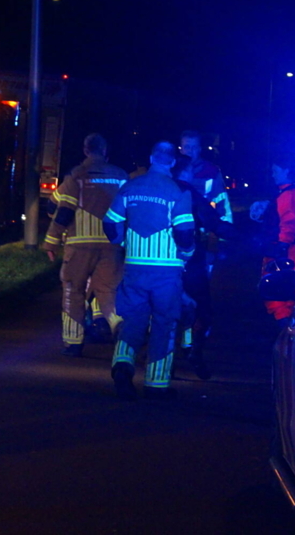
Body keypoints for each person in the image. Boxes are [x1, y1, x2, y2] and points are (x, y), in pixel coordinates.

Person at [103, 141, 195, 400]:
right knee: (164, 323)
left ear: (151, 157)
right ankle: (156, 384)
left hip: (134, 267)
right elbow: (185, 232)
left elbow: (110, 223)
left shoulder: (130, 187)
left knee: (133, 319)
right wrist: (186, 254)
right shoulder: (177, 192)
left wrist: (122, 243)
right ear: (173, 162)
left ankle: (122, 365)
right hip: (166, 272)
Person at [42, 133, 129, 357]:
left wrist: (51, 241)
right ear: (105, 151)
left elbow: (60, 210)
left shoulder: (76, 176)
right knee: (109, 291)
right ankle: (118, 325)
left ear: (85, 150)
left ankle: (73, 343)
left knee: (73, 290)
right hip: (112, 245)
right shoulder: (121, 177)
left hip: (79, 246)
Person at [171, 153, 234, 380]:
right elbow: (213, 222)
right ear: (184, 172)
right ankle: (195, 353)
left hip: (158, 263)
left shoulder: (158, 190)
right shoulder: (190, 193)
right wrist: (244, 238)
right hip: (190, 261)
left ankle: (161, 361)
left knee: (162, 313)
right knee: (202, 309)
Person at [260, 154, 295, 321]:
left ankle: (286, 335)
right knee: (281, 294)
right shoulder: (287, 192)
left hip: (287, 253)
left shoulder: (290, 193)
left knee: (281, 295)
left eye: (276, 171)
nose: (273, 174)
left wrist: (282, 246)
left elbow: (290, 221)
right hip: (284, 250)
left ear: (286, 171)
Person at [178, 130, 233, 224]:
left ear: (199, 149)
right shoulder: (171, 170)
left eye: (194, 147)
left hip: (202, 229)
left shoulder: (211, 172)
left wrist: (225, 231)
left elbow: (222, 204)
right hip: (177, 229)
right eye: (187, 147)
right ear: (181, 149)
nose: (190, 151)